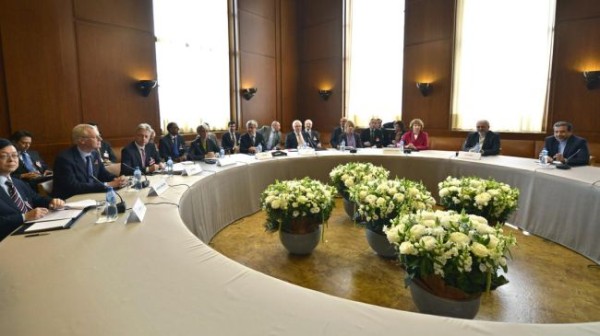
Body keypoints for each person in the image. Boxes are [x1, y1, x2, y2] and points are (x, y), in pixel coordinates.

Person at [0, 138, 65, 241]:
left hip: (33, 231)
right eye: (4, 156)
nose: (11, 159)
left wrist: (52, 202)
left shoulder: (18, 182)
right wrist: (24, 217)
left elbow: (36, 199)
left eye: (14, 155)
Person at [52, 124, 128, 200]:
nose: (100, 139)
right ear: (82, 140)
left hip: (90, 195)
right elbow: (73, 187)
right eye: (96, 137)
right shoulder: (64, 159)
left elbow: (103, 174)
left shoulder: (94, 154)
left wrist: (116, 179)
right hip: (70, 200)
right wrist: (107, 185)